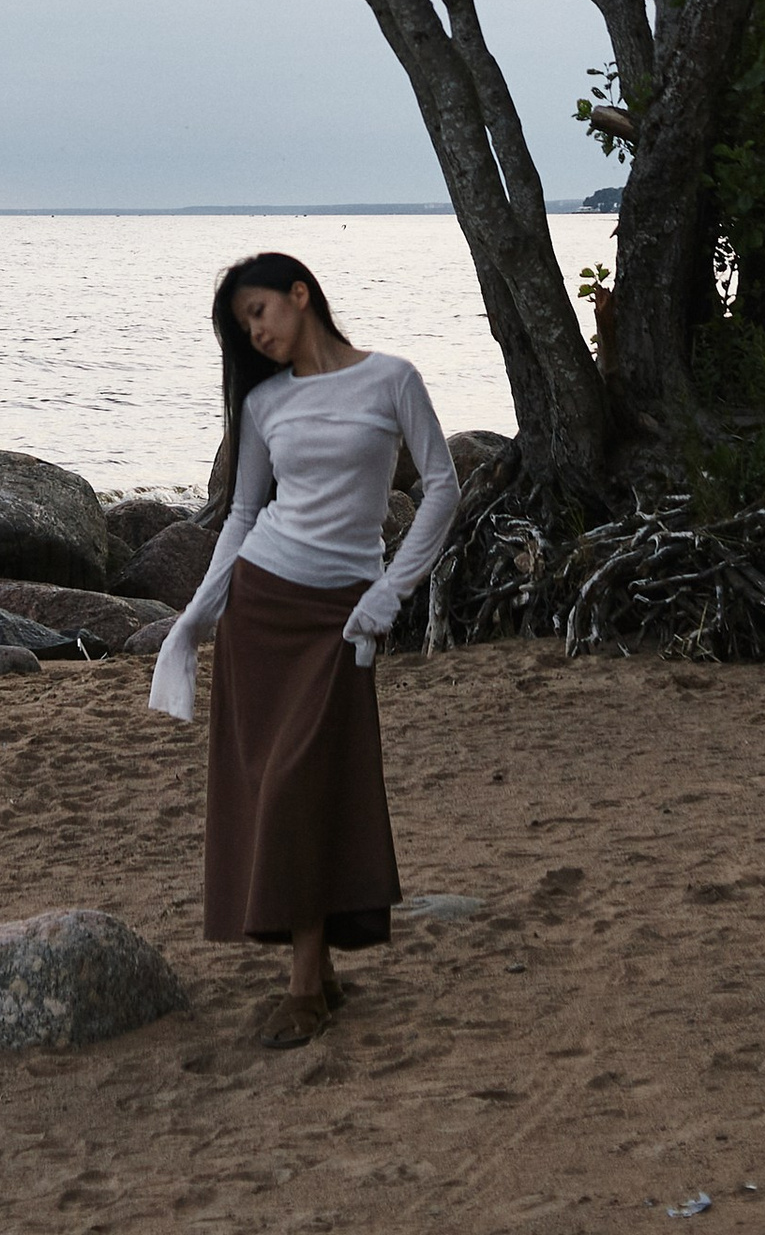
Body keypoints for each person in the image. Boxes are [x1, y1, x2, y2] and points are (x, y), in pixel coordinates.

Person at [148, 249, 461, 1045]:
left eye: (258, 312)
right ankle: (311, 977)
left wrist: (390, 591)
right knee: (270, 787)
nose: (254, 333)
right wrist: (197, 614)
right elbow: (245, 512)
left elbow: (443, 486)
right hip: (263, 608)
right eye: (241, 327)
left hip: (343, 614)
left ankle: (309, 982)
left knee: (309, 782)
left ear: (300, 293)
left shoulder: (391, 378)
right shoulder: (264, 405)